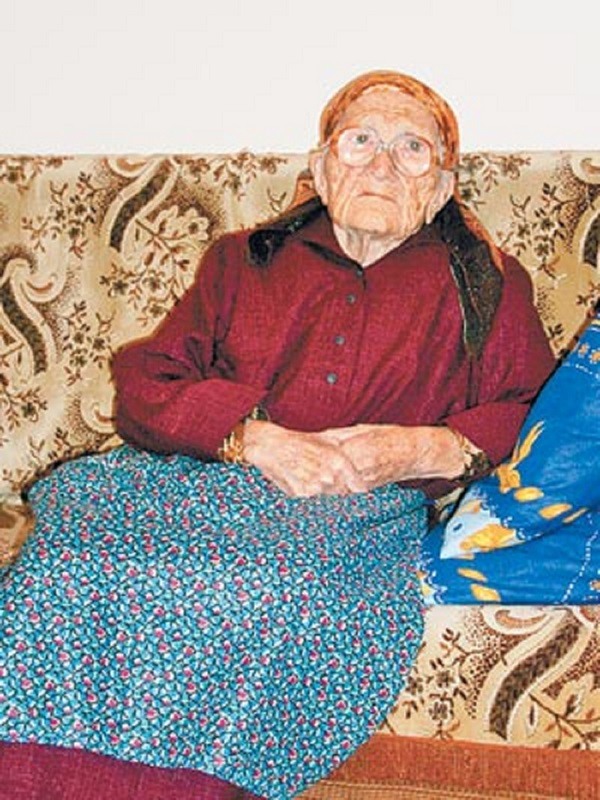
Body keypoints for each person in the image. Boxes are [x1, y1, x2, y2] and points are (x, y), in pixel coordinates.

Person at [0, 71, 554, 800]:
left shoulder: (486, 281)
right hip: (206, 480)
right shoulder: (243, 259)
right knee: (68, 556)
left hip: (350, 506)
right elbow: (147, 383)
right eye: (360, 140)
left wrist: (421, 447)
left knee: (270, 583)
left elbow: (538, 409)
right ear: (321, 168)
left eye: (412, 148)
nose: (382, 163)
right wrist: (250, 438)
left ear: (443, 186)